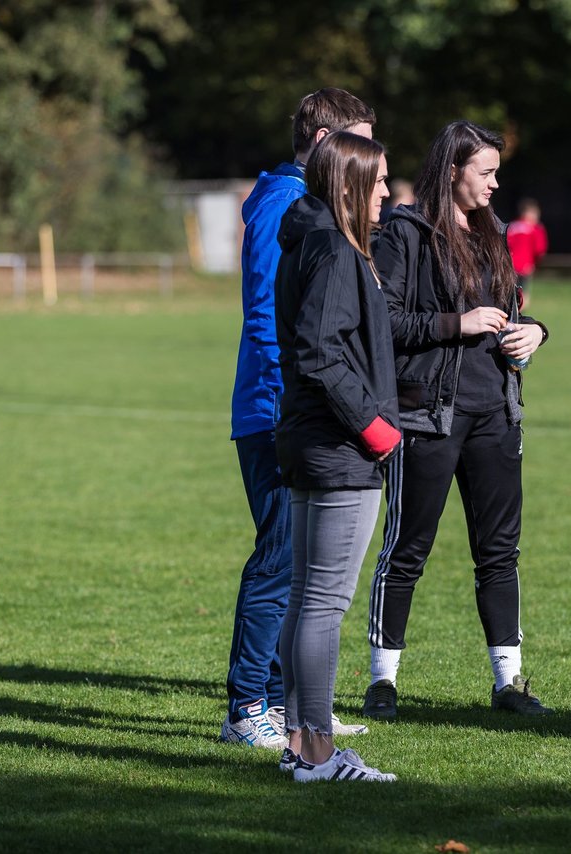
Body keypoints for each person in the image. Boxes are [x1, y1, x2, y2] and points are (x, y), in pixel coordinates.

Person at [363, 120, 551, 721]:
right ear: (452, 171)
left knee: (499, 552)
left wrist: (536, 332)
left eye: (497, 171)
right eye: (486, 172)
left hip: (497, 412)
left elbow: (516, 305)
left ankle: (509, 684)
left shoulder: (494, 229)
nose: (497, 184)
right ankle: (383, 682)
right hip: (426, 417)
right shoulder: (406, 231)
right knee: (406, 548)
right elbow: (384, 322)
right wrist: (457, 324)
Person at [223, 88, 376, 750]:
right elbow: (266, 318)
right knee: (281, 560)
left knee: (306, 566)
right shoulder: (285, 204)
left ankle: (296, 707)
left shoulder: (293, 200)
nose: (367, 162)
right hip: (276, 412)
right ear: (323, 144)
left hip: (294, 410)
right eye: (359, 144)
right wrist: (297, 405)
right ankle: (247, 708)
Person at [273, 131, 401, 782]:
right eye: (378, 182)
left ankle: (299, 745)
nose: (388, 193)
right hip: (336, 447)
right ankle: (318, 751)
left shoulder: (322, 243)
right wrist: (374, 426)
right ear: (350, 184)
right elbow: (319, 350)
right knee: (324, 602)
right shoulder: (331, 248)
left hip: (315, 441)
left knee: (307, 598)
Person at [506, 198, 548, 309]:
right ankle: (517, 317)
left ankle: (510, 313)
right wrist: (535, 263)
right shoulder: (535, 229)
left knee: (509, 292)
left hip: (509, 265)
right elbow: (540, 249)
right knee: (523, 295)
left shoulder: (511, 226)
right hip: (525, 266)